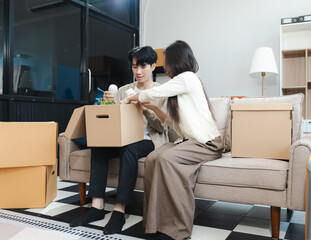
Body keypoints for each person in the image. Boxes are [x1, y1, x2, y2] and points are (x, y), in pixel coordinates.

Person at [120, 40, 224, 240]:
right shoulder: (179, 87)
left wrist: (129, 98)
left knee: (167, 160)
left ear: (175, 61)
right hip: (188, 141)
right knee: (152, 158)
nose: (164, 66)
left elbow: (154, 91)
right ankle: (155, 223)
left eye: (166, 62)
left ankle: (177, 230)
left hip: (208, 143)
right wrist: (153, 108)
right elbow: (172, 123)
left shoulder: (188, 78)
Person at [70, 46, 168, 235]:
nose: (138, 71)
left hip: (147, 139)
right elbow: (112, 120)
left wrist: (146, 108)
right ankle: (97, 207)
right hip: (121, 138)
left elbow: (164, 127)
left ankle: (119, 210)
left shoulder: (161, 92)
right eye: (134, 67)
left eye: (143, 66)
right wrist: (105, 102)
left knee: (130, 149)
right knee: (98, 146)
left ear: (154, 66)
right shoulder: (124, 90)